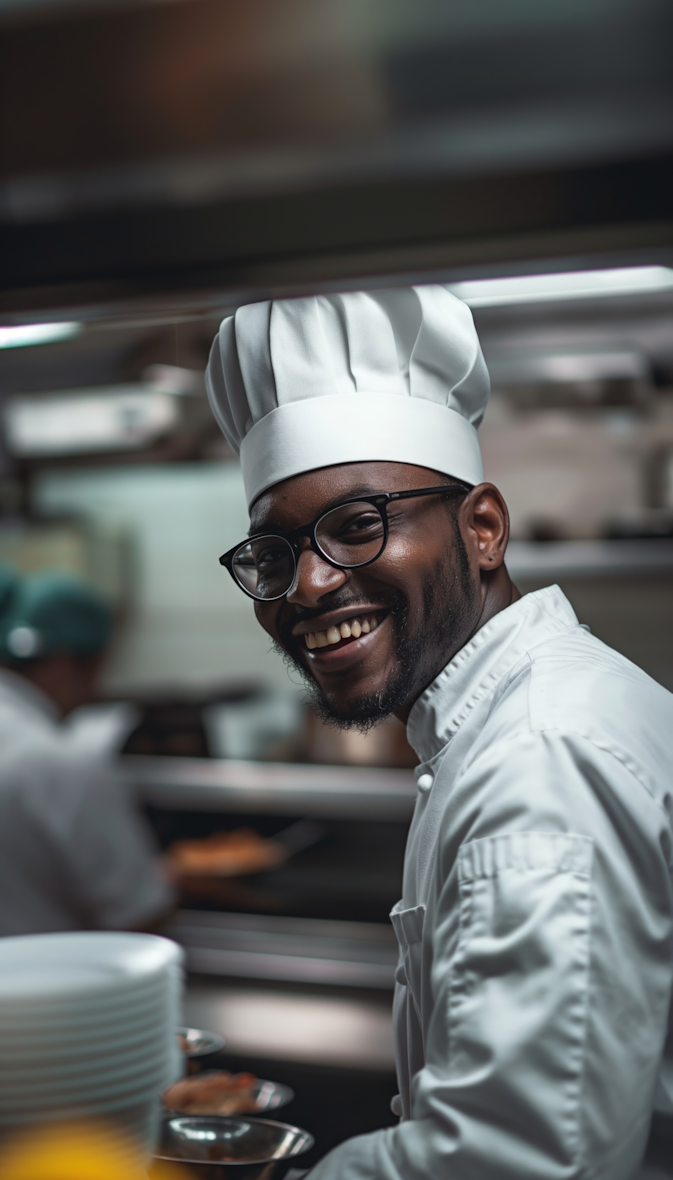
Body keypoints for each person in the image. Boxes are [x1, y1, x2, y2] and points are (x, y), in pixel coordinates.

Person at [205, 287, 673, 1180]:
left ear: (483, 529)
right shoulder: (510, 719)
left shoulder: (543, 759)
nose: (305, 587)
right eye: (273, 553)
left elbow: (519, 1162)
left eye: (356, 525)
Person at [0, 567, 173, 936]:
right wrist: (172, 881)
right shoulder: (62, 762)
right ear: (67, 662)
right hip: (52, 986)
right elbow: (138, 914)